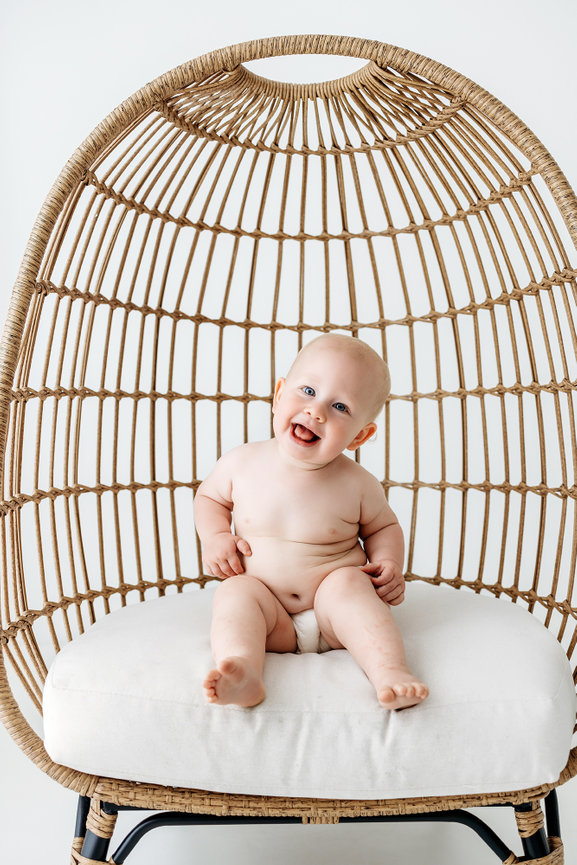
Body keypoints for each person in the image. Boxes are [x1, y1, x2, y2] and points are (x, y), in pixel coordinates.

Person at [194, 334, 428, 711]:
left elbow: (384, 527)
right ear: (278, 394)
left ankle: (389, 671)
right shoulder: (240, 463)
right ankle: (244, 671)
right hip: (270, 617)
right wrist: (216, 535)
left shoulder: (357, 484)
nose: (316, 411)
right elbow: (209, 499)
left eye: (339, 406)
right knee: (235, 593)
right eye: (307, 391)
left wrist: (389, 564)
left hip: (333, 615)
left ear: (360, 435)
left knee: (350, 584)